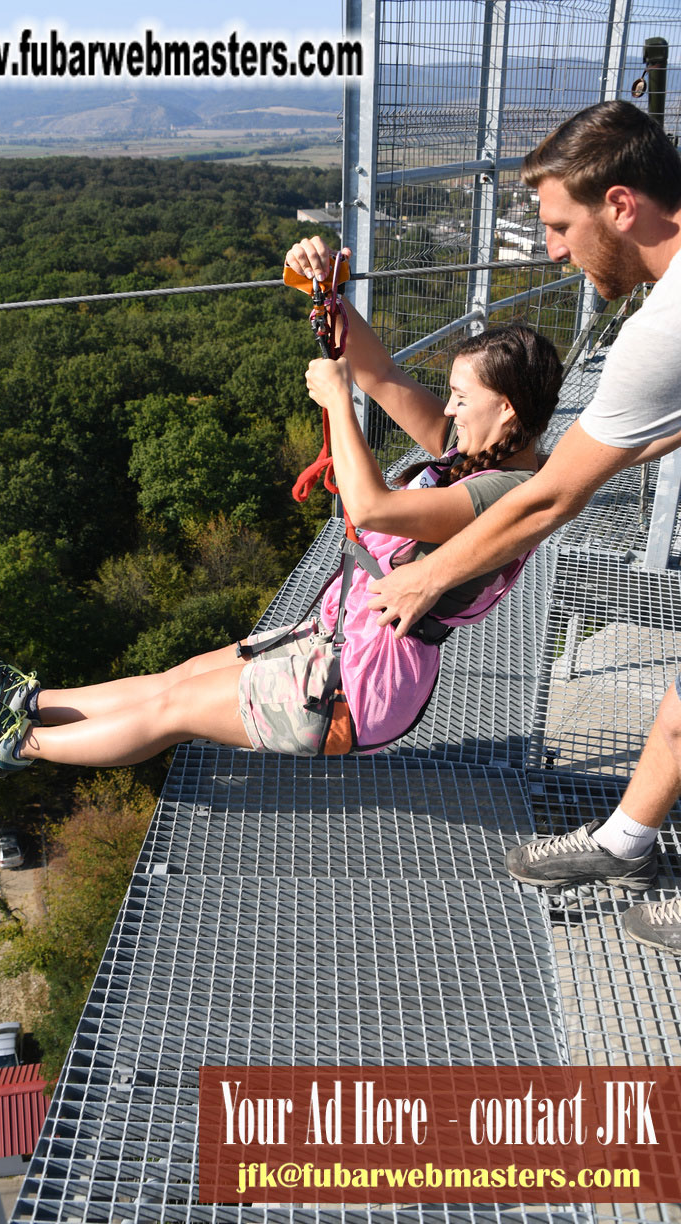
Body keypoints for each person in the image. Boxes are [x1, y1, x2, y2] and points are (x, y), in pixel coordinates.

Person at [0, 262, 562, 780]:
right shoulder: (477, 452)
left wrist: (337, 405)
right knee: (182, 676)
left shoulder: (502, 494)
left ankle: (16, 743)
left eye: (460, 395)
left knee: (175, 710)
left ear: (505, 408)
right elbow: (383, 376)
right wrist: (327, 292)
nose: (449, 407)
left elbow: (373, 506)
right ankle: (29, 701)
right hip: (342, 640)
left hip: (357, 688)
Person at [350, 99, 681, 953]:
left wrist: (422, 577)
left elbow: (546, 499)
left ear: (620, 204)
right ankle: (625, 842)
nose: (552, 252)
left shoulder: (664, 326)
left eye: (560, 225)